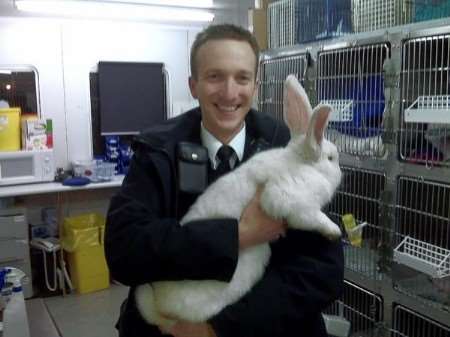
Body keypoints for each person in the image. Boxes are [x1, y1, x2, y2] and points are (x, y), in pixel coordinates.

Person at [105, 23, 344, 337]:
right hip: (170, 322)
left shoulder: (291, 149)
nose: (230, 92)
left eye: (242, 78)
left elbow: (321, 271)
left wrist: (215, 328)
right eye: (214, 76)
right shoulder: (157, 150)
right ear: (194, 85)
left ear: (256, 86)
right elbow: (125, 251)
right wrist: (238, 235)